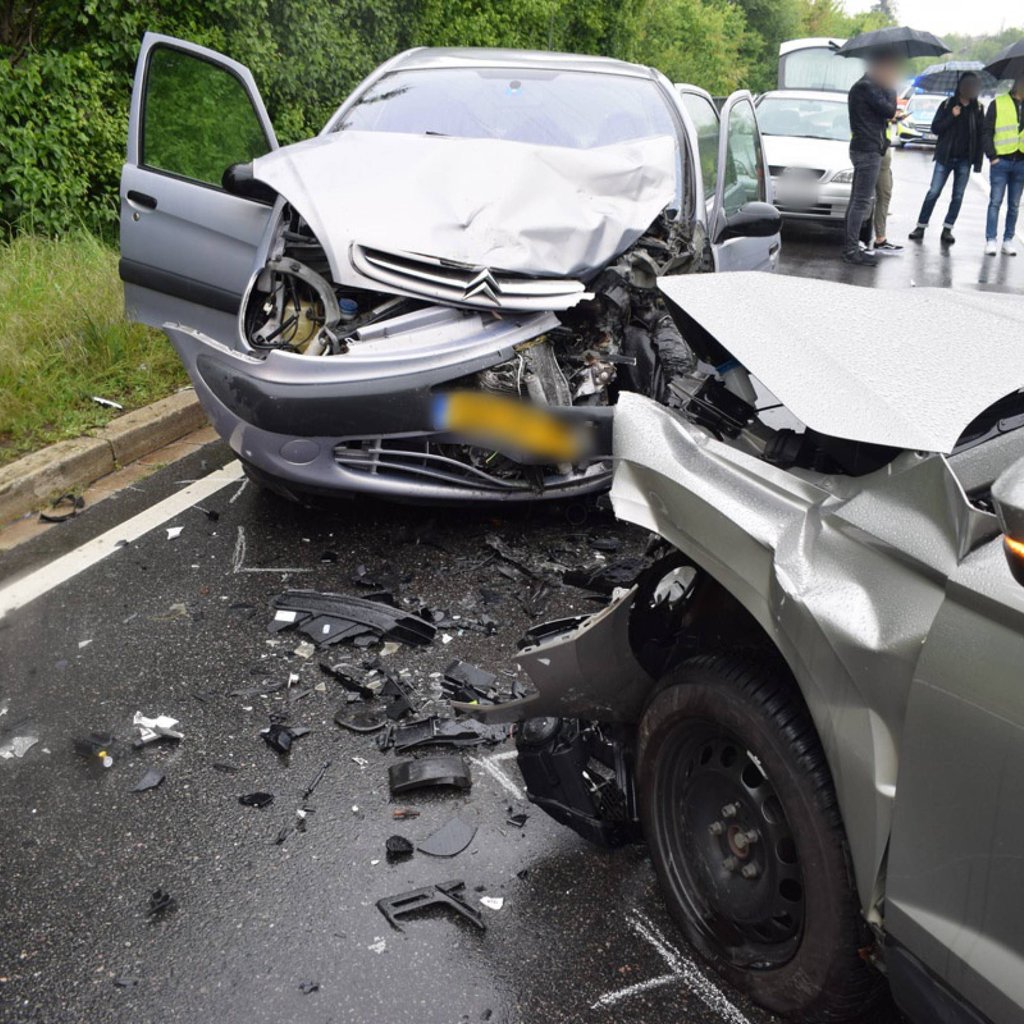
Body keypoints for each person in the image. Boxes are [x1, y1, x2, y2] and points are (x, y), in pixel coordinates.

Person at [908, 72, 985, 246]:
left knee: (958, 196)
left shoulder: (978, 109)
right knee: (934, 192)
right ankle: (921, 226)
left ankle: (948, 228)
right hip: (945, 157)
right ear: (961, 87)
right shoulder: (947, 104)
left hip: (965, 160)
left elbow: (980, 136)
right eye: (967, 85)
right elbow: (935, 128)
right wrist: (952, 116)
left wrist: (977, 163)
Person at [844, 55, 900, 266]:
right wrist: (891, 87)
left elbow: (883, 113)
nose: (891, 74)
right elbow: (889, 110)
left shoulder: (867, 87)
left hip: (867, 148)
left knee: (857, 201)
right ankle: (851, 250)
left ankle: (851, 246)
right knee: (860, 202)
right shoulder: (866, 87)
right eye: (889, 70)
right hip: (867, 150)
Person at [983, 76, 1024, 256]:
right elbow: (987, 131)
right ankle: (991, 240)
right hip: (1001, 161)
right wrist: (992, 156)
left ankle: (1008, 240)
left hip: (1021, 162)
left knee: (1014, 205)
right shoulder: (998, 103)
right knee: (995, 202)